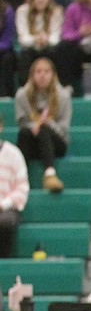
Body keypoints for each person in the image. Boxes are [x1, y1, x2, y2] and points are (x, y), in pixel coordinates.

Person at [14, 56, 69, 193]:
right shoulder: (22, 95)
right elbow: (21, 123)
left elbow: (64, 128)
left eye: (46, 72)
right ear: (32, 75)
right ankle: (22, 178)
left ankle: (50, 173)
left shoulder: (63, 96)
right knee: (24, 133)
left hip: (57, 142)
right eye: (38, 72)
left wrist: (47, 123)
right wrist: (35, 125)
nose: (42, 76)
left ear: (53, 75)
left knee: (43, 129)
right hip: (32, 140)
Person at [15, 0, 63, 87]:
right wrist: (36, 39)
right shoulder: (22, 11)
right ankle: (24, 88)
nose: (41, 0)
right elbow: (23, 38)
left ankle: (58, 86)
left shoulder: (56, 11)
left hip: (48, 47)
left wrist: (46, 39)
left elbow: (56, 37)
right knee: (25, 53)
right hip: (31, 48)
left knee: (58, 51)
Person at [0, 110, 27, 258]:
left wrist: (4, 204)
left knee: (4, 222)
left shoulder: (13, 154)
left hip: (7, 209)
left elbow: (22, 188)